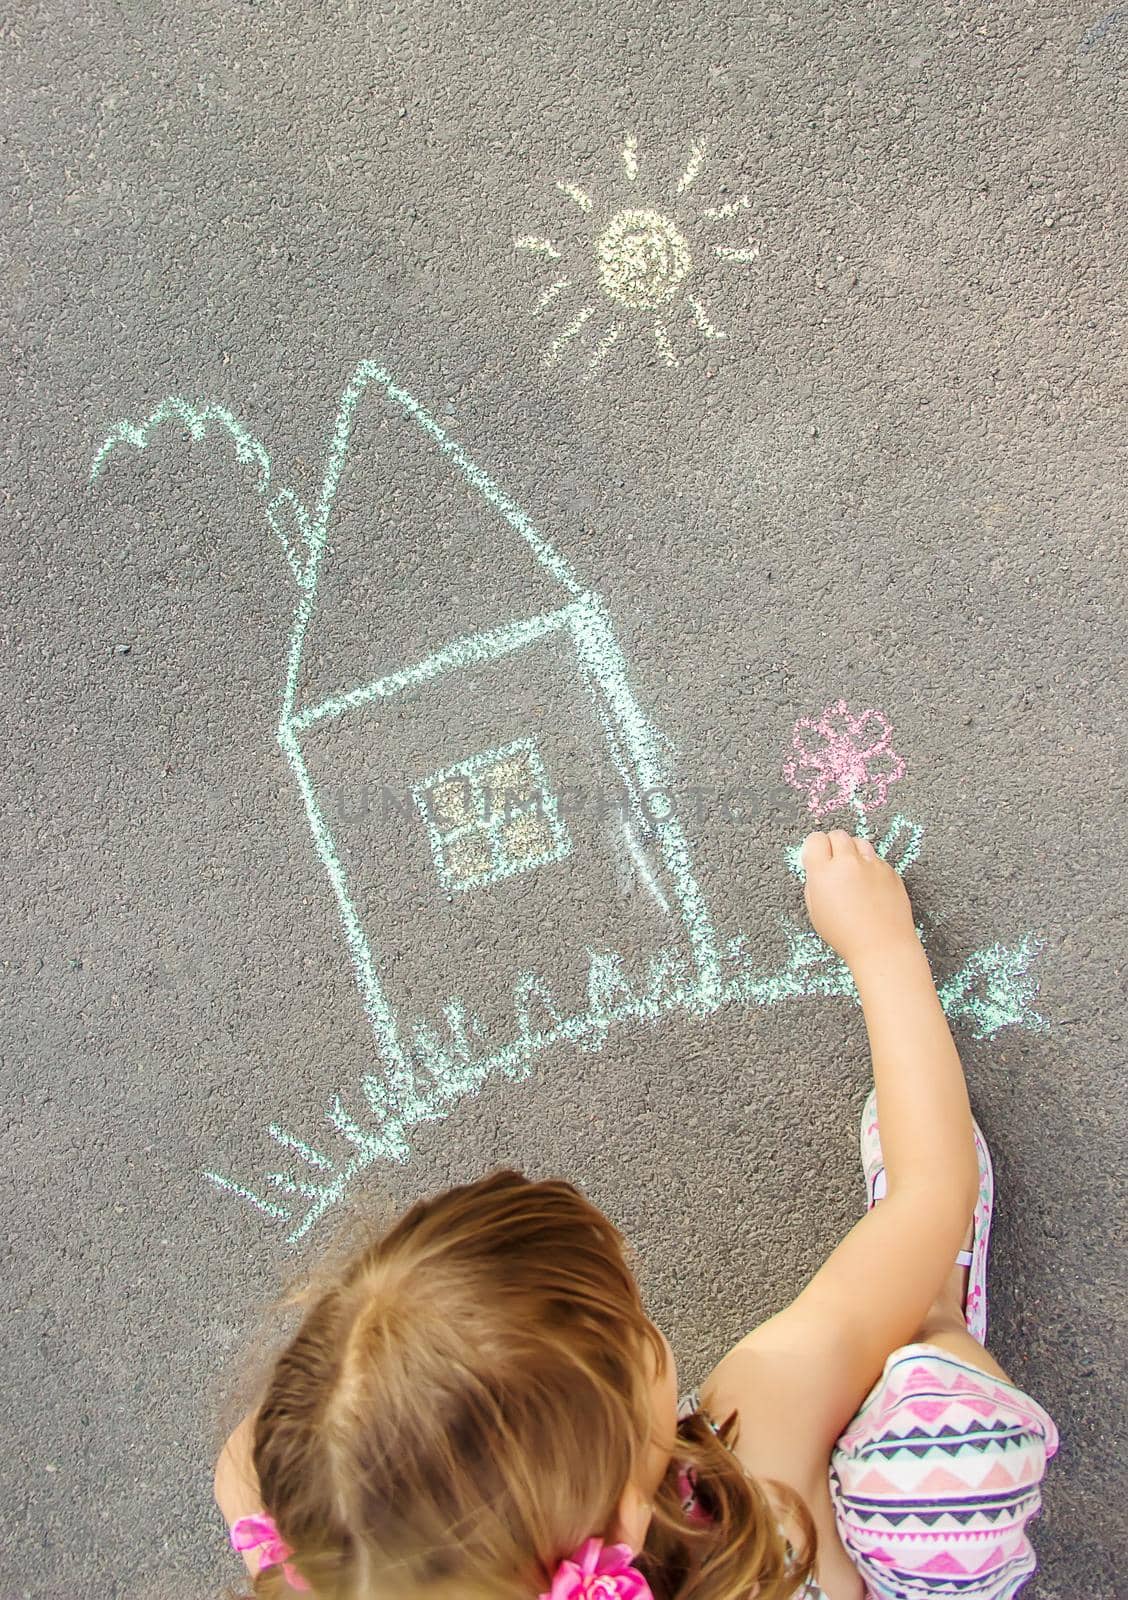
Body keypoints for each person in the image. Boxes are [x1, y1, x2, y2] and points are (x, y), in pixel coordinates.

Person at [214, 829, 1058, 1600]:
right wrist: (881, 946)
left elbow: (250, 1477)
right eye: (631, 1331)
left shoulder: (350, 1574)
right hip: (812, 1561)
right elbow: (931, 1191)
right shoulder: (755, 1460)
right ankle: (943, 1313)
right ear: (623, 1514)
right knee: (946, 1447)